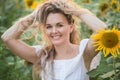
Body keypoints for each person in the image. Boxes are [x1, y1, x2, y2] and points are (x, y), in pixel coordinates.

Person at [1, 0, 107, 80]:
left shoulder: (84, 52)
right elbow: (7, 38)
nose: (54, 31)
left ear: (71, 27)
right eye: (49, 27)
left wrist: (76, 11)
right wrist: (35, 15)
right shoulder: (42, 55)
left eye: (59, 25)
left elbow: (102, 30)